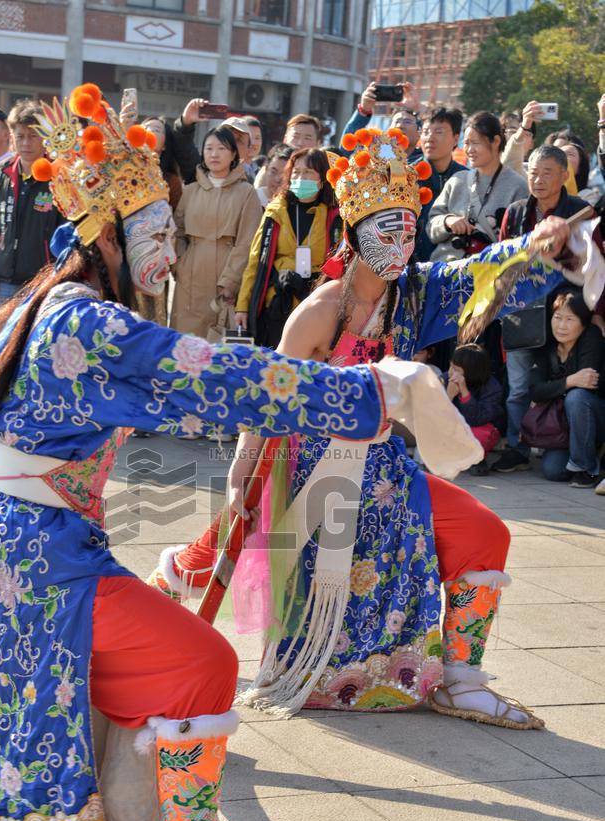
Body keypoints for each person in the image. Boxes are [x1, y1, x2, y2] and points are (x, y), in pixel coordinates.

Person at [0, 83, 430, 821]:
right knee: (200, 662)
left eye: (168, 230)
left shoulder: (46, 296)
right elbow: (210, 376)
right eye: (153, 234)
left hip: (4, 538)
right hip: (42, 550)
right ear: (108, 239)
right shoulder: (92, 324)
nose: (164, 251)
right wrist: (355, 392)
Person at [149, 124, 578, 729]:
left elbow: (476, 275)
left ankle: (460, 679)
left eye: (410, 226)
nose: (403, 240)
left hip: (385, 468)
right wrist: (244, 479)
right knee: (232, 540)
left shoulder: (416, 293)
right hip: (309, 470)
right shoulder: (318, 312)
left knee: (484, 533)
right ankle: (170, 596)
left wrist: (532, 246)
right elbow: (270, 406)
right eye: (388, 228)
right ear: (354, 231)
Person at [491, 144, 590, 474]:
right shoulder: (518, 211)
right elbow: (501, 259)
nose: (538, 179)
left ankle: (566, 448)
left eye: (547, 172)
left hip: (567, 314)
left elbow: (594, 267)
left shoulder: (582, 211)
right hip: (523, 311)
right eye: (532, 171)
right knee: (518, 387)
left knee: (566, 380)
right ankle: (517, 446)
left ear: (565, 176)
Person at [234, 147, 341, 347]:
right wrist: (243, 307)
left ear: (322, 177)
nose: (301, 177)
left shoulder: (335, 217)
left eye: (308, 172)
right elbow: (256, 262)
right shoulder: (275, 211)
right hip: (277, 300)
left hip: (316, 302)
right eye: (296, 171)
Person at [170, 126, 262, 343]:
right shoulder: (190, 190)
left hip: (226, 276)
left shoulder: (246, 192)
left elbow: (247, 241)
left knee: (217, 347)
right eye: (209, 148)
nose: (214, 154)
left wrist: (231, 280)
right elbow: (177, 231)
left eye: (221, 148)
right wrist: (180, 264)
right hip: (189, 278)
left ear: (233, 155)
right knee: (184, 345)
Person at [0, 100, 63, 311]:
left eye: (33, 136)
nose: (26, 143)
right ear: (12, 139)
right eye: (20, 136)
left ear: (45, 138)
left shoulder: (59, 178)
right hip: (4, 280)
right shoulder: (1, 177)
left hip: (44, 281)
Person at [428, 111, 528, 263]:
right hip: (447, 272)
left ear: (495, 141)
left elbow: (522, 242)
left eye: (475, 143)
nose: (469, 150)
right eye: (466, 143)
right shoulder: (457, 181)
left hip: (489, 276)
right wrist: (447, 221)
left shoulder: (518, 187)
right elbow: (431, 226)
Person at [528, 289, 605, 487]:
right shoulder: (546, 346)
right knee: (553, 471)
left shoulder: (592, 337)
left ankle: (585, 468)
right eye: (557, 317)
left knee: (577, 397)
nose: (561, 326)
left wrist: (552, 389)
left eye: (570, 319)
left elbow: (589, 383)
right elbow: (535, 389)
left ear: (583, 322)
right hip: (563, 425)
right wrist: (569, 381)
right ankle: (586, 455)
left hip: (596, 416)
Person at [415, 107, 466, 262]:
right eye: (425, 132)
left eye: (439, 132)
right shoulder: (407, 176)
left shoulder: (466, 179)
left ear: (456, 139)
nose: (430, 138)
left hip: (451, 268)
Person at [446, 344, 504, 476]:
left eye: (455, 369)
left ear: (471, 371)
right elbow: (434, 416)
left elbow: (476, 419)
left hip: (478, 428)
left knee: (479, 435)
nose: (450, 372)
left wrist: (464, 393)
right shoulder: (444, 379)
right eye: (450, 366)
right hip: (453, 428)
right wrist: (448, 395)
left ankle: (476, 459)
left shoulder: (491, 387)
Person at [256, 143, 293, 208]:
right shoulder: (253, 197)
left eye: (284, 174)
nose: (277, 179)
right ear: (266, 169)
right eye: (273, 172)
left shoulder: (294, 204)